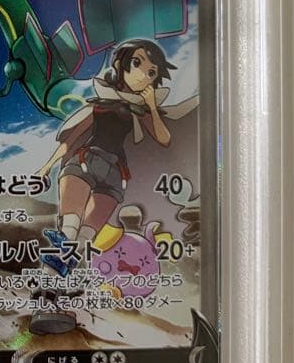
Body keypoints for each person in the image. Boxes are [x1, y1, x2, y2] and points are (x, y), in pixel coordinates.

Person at [36, 39, 197, 275]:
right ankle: (47, 282)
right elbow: (70, 140)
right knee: (69, 230)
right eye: (137, 63)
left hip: (115, 175)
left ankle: (53, 283)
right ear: (121, 65)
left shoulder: (141, 111)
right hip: (85, 162)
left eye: (151, 72)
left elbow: (164, 139)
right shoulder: (99, 106)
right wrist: (46, 167)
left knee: (84, 238)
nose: (143, 75)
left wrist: (152, 107)